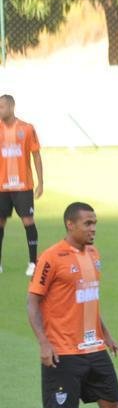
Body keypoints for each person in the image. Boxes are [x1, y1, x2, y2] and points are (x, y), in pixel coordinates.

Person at [28, 202, 118, 408]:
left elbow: (89, 301)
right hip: (64, 351)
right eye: (87, 223)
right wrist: (44, 342)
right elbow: (33, 302)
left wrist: (107, 336)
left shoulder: (94, 255)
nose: (93, 228)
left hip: (93, 347)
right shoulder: (51, 257)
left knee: (113, 406)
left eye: (95, 222)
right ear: (70, 225)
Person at [0, 94, 44, 277]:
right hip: (1, 187)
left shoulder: (26, 129)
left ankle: (33, 262)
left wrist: (41, 182)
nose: (0, 110)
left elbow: (36, 155)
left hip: (23, 186)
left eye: (2, 107)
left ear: (11, 107)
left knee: (28, 222)